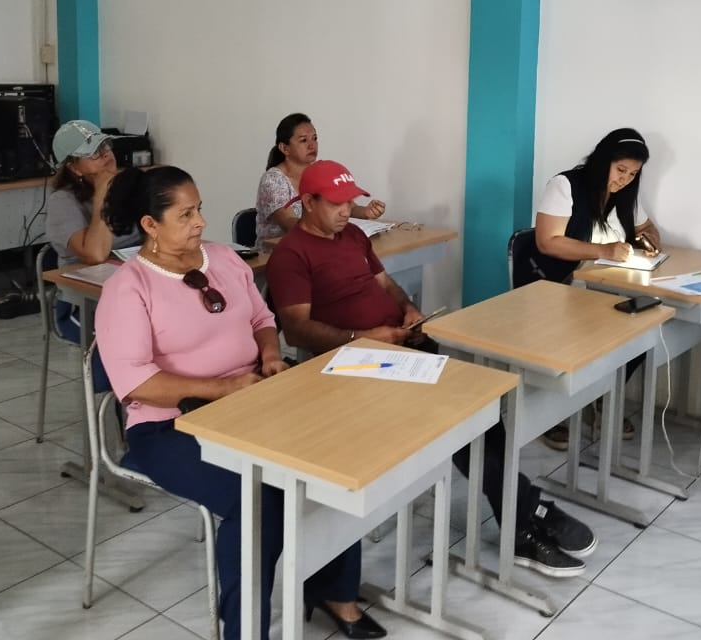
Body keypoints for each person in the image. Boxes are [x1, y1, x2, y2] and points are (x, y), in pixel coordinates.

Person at [266, 159, 597, 579]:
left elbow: (385, 285)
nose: (347, 211)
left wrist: (408, 310)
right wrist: (362, 338)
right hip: (352, 365)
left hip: (398, 345)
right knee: (455, 417)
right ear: (309, 202)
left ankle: (522, 511)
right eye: (336, 204)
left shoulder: (352, 236)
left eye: (350, 202)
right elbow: (297, 329)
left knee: (480, 407)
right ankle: (525, 514)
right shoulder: (290, 255)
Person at [95, 165, 384, 640]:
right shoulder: (128, 287)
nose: (200, 222)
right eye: (186, 214)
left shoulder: (224, 259)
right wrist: (224, 389)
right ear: (150, 224)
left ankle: (334, 591)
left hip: (253, 399)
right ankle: (246, 631)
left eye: (200, 209)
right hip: (171, 426)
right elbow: (136, 383)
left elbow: (261, 319)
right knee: (259, 501)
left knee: (332, 461)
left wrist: (269, 356)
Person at [533, 128, 661, 450]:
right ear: (604, 160)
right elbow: (547, 242)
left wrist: (650, 240)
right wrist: (603, 251)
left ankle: (603, 397)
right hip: (562, 285)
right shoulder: (566, 186)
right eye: (620, 170)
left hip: (606, 286)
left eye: (633, 174)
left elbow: (646, 227)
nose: (624, 180)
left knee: (645, 327)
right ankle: (551, 414)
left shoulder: (625, 195)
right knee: (599, 331)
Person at [45, 120, 142, 342]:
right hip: (83, 304)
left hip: (131, 291)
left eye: (105, 146)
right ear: (73, 167)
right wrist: (102, 196)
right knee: (128, 342)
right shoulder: (63, 202)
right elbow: (96, 254)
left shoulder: (129, 187)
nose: (106, 154)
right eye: (94, 153)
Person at [254, 113, 385, 244]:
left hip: (320, 243)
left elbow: (349, 207)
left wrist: (366, 212)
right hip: (278, 250)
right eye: (303, 140)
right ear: (284, 148)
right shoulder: (273, 180)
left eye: (314, 138)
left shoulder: (319, 171)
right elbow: (288, 223)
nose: (312, 145)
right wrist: (327, 227)